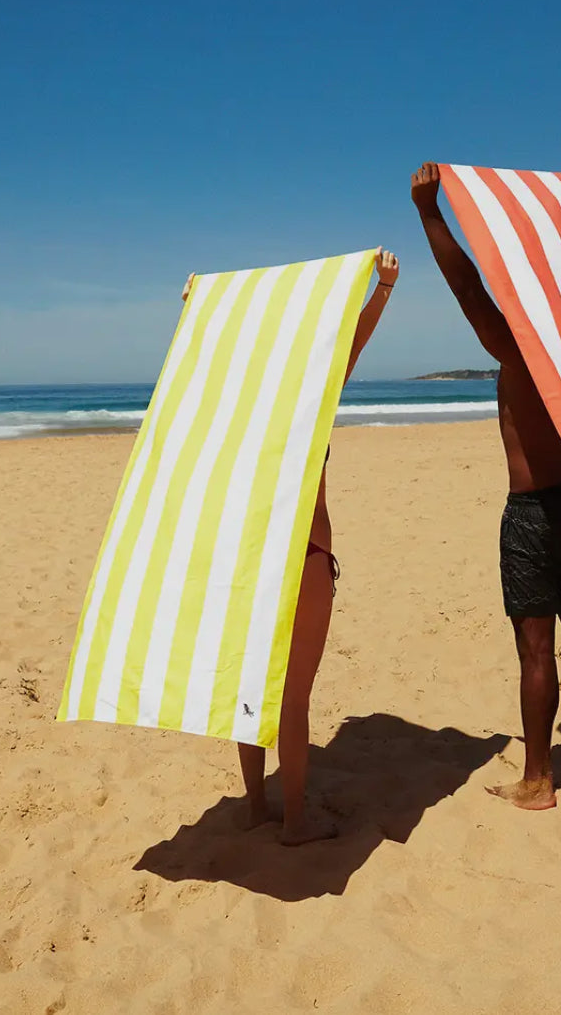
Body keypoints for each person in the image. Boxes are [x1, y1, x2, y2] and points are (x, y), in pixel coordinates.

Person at [410, 162, 561, 810]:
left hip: (531, 514)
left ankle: (539, 779)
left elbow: (466, 287)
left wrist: (430, 212)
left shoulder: (520, 350)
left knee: (536, 650)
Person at [182, 248, 400, 843]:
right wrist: (380, 289)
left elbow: (196, 372)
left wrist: (197, 315)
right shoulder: (307, 401)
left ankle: (256, 804)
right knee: (294, 697)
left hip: (244, 556)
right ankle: (297, 821)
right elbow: (347, 351)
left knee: (249, 687)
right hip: (302, 557)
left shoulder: (228, 409)